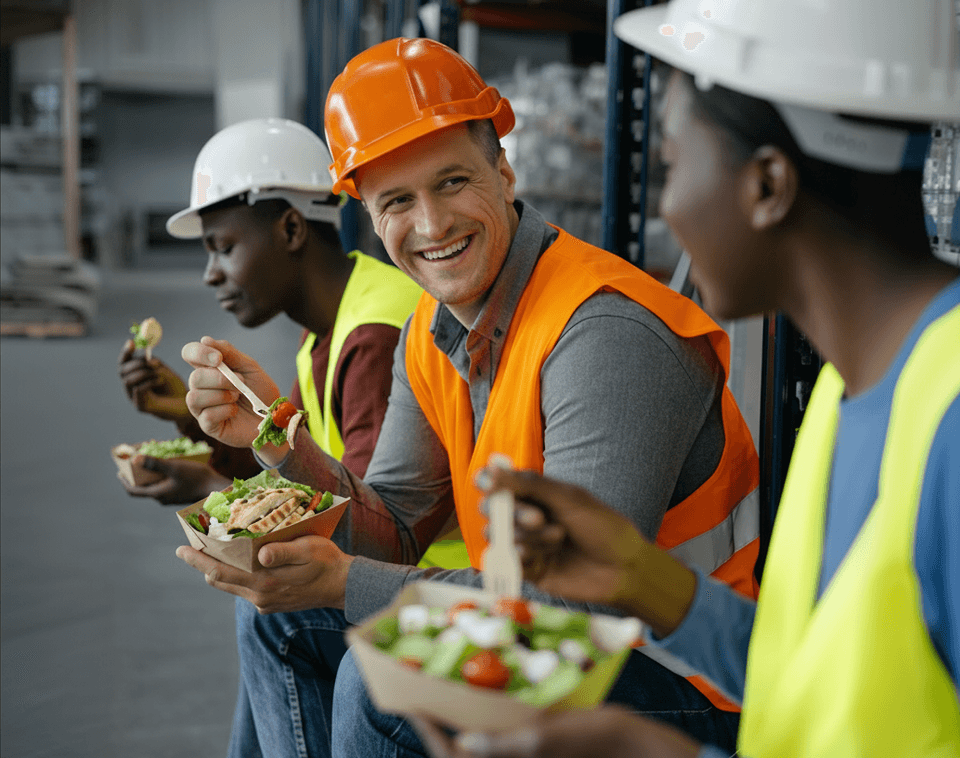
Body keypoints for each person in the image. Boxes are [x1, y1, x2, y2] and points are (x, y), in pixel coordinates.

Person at [176, 38, 765, 757]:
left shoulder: (605, 332)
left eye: (452, 183)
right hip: (561, 640)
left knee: (384, 673)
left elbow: (581, 603)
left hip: (685, 678)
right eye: (397, 201)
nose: (431, 226)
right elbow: (393, 526)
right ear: (367, 212)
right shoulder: (431, 330)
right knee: (274, 618)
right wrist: (274, 436)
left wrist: (344, 584)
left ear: (504, 169)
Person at [406, 0, 960, 755]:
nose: (666, 204)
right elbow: (812, 683)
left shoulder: (948, 421)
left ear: (767, 186)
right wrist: (643, 578)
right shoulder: (854, 386)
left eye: (671, 164)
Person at [115, 117, 462, 755]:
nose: (211, 274)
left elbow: (361, 528)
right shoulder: (328, 330)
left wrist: (212, 483)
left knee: (276, 615)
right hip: (398, 573)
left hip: (431, 586)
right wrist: (186, 419)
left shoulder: (374, 336)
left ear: (292, 229)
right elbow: (291, 471)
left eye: (222, 247)